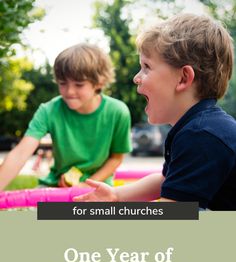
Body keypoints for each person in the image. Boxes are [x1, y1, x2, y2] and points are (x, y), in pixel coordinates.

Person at [74, 13, 236, 210]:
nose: (136, 77)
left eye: (146, 67)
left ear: (183, 78)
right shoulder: (196, 127)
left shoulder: (201, 135)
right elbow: (166, 181)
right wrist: (116, 196)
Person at [0, 44, 132, 190]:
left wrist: (85, 185)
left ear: (99, 82)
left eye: (79, 84)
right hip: (56, 185)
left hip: (98, 187)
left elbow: (116, 158)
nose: (69, 91)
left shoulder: (118, 112)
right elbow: (20, 153)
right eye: (63, 83)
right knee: (34, 212)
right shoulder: (48, 110)